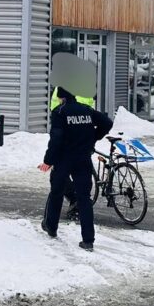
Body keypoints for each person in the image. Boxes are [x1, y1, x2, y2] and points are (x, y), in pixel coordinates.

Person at [38, 87, 113, 251]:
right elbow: (107, 123)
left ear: (61, 98)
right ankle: (88, 240)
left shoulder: (59, 112)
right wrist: (93, 137)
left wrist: (48, 161)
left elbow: (56, 139)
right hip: (83, 159)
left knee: (57, 192)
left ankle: (51, 226)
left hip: (64, 159)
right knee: (84, 198)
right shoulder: (86, 110)